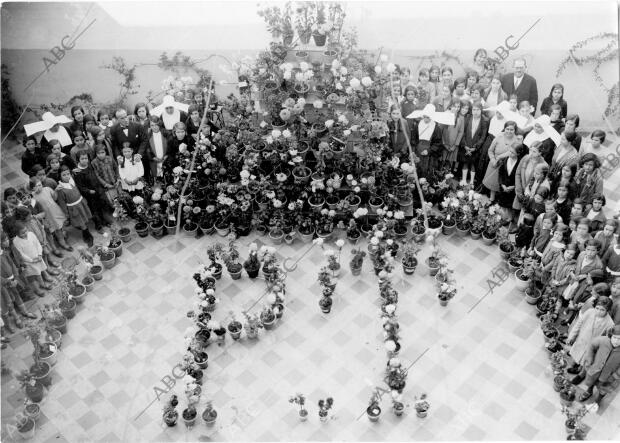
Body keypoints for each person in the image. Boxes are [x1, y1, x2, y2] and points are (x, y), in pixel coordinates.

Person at [566, 297, 614, 376]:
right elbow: (579, 324)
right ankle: (576, 363)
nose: (598, 311)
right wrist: (571, 336)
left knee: (586, 359)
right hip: (582, 339)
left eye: (602, 310)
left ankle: (579, 370)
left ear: (608, 310)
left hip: (592, 346)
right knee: (577, 353)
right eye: (597, 308)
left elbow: (606, 339)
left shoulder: (610, 324)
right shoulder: (590, 312)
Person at [572, 324, 620, 403]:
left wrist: (614, 376)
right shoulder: (603, 340)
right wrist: (590, 358)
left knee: (603, 388)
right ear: (611, 335)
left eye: (619, 339)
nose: (617, 341)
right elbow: (592, 345)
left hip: (609, 375)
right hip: (595, 369)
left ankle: (599, 399)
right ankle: (589, 391)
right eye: (615, 337)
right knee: (592, 381)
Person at [1, 232, 38, 331]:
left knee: (17, 295)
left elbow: (12, 264)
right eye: (4, 240)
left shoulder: (4, 253)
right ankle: (16, 319)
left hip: (13, 279)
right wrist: (7, 282)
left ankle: (25, 312)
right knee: (9, 302)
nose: (7, 241)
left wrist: (16, 277)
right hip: (3, 285)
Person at [28, 177, 72, 252]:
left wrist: (56, 191)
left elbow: (54, 197)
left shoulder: (47, 189)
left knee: (59, 227)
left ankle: (61, 239)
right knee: (52, 230)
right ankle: (58, 245)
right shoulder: (33, 196)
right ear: (33, 188)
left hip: (54, 212)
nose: (40, 187)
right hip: (46, 216)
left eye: (40, 185)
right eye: (37, 186)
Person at [54, 166, 94, 247]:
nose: (67, 176)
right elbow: (62, 203)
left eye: (68, 174)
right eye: (64, 175)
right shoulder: (61, 188)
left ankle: (85, 231)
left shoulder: (72, 181)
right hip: (73, 208)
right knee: (81, 222)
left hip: (81, 203)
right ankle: (88, 236)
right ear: (60, 176)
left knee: (84, 218)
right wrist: (66, 214)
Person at [11, 222, 54, 295]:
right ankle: (37, 290)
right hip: (28, 262)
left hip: (37, 257)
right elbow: (21, 254)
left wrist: (40, 254)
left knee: (39, 272)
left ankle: (42, 284)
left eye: (26, 231)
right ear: (17, 234)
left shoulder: (31, 234)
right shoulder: (16, 241)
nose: (25, 233)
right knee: (32, 277)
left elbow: (37, 244)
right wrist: (31, 260)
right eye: (22, 233)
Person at [73, 151, 109, 233]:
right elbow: (80, 186)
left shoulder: (90, 166)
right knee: (93, 210)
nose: (85, 160)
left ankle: (104, 221)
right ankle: (98, 226)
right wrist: (89, 191)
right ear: (78, 160)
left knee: (100, 207)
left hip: (97, 190)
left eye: (86, 158)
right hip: (89, 195)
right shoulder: (78, 172)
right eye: (82, 159)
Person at [482, 120, 518, 202]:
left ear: (515, 130)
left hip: (506, 165)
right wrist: (493, 159)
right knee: (492, 184)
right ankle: (492, 199)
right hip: (494, 162)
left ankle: (499, 201)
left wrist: (500, 157)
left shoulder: (517, 140)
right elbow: (490, 150)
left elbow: (512, 153)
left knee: (503, 185)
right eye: (507, 129)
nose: (509, 131)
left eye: (511, 129)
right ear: (504, 129)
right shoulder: (499, 136)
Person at [513, 142, 548, 222]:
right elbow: (518, 173)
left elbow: (541, 183)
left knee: (525, 213)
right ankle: (514, 222)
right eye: (530, 150)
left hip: (530, 195)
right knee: (516, 209)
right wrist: (518, 189)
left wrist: (528, 193)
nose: (531, 154)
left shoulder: (543, 165)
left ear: (540, 153)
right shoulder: (526, 158)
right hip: (520, 190)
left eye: (534, 152)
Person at [459, 100, 488, 186]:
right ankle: (464, 180)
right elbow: (462, 132)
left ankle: (471, 181)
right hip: (466, 145)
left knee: (473, 163)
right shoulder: (468, 118)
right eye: (474, 110)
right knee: (465, 162)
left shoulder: (484, 121)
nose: (475, 112)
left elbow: (483, 136)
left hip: (475, 147)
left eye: (477, 110)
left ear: (481, 110)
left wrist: (475, 147)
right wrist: (465, 145)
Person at [440, 100, 464, 172]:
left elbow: (460, 132)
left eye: (458, 107)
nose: (456, 108)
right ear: (450, 106)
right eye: (454, 106)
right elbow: (441, 130)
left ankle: (447, 177)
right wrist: (444, 143)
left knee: (449, 162)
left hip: (454, 144)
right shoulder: (445, 115)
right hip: (445, 143)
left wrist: (455, 145)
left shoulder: (461, 118)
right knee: (442, 161)